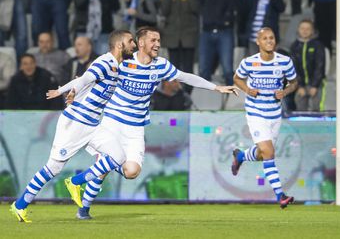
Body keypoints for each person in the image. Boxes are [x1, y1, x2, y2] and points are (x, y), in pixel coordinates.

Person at [64, 26, 238, 219]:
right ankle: (83, 210)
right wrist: (76, 90)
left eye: (158, 40)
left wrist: (216, 88)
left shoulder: (161, 65)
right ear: (141, 43)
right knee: (104, 167)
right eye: (153, 40)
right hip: (112, 121)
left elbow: (186, 77)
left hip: (135, 127)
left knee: (131, 171)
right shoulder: (124, 61)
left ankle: (79, 180)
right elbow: (94, 75)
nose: (158, 44)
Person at [9, 30, 136, 223]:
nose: (133, 45)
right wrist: (64, 90)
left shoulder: (116, 67)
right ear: (120, 45)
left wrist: (76, 90)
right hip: (75, 123)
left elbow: (85, 81)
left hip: (93, 125)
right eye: (130, 41)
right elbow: (83, 79)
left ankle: (76, 182)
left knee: (119, 156)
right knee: (53, 168)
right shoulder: (105, 62)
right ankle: (19, 206)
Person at [231, 27, 298, 209]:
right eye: (265, 38)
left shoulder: (284, 62)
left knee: (262, 154)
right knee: (269, 152)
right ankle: (280, 195)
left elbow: (294, 82)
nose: (269, 41)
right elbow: (237, 78)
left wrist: (284, 91)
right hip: (256, 112)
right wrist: (247, 90)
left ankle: (241, 156)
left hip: (274, 113)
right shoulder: (249, 62)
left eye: (272, 38)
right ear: (258, 42)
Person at [290, 19, 326, 111]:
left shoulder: (318, 45)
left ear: (312, 31)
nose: (305, 31)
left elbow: (320, 66)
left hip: (316, 84)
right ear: (298, 30)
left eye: (308, 29)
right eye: (302, 28)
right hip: (300, 84)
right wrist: (300, 86)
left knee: (316, 109)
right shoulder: (294, 46)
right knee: (300, 109)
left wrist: (314, 85)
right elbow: (293, 68)